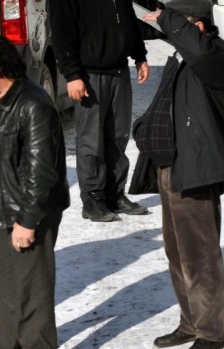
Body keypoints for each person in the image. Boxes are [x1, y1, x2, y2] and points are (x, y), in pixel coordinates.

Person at [139, 0, 224, 349]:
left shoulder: (219, 57)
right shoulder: (183, 57)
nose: (170, 29)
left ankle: (211, 331)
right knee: (177, 251)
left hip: (197, 168)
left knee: (200, 254)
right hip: (171, 165)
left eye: (178, 22)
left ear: (196, 24)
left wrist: (168, 18)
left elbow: (198, 50)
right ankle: (190, 321)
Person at [0, 34, 71, 349]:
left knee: (32, 289)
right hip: (6, 206)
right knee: (4, 285)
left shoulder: (34, 105)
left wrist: (27, 222)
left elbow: (41, 173)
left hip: (31, 212)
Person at [51, 0, 150, 222]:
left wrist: (140, 55)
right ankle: (93, 198)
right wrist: (73, 74)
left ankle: (115, 194)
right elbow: (61, 33)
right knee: (91, 140)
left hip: (119, 71)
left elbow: (128, 22)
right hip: (88, 75)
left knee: (118, 136)